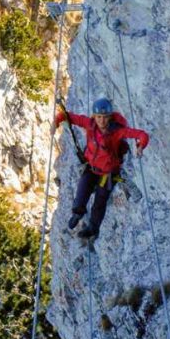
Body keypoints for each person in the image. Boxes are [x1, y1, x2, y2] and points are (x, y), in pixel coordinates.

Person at [54, 97, 149, 239]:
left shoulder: (117, 132)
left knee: (100, 201)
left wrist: (141, 145)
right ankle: (77, 213)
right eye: (98, 117)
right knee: (82, 191)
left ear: (110, 118)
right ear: (94, 116)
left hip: (108, 173)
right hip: (92, 168)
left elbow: (141, 134)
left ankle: (93, 228)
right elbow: (69, 117)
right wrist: (55, 122)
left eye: (105, 117)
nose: (101, 121)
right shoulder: (90, 124)